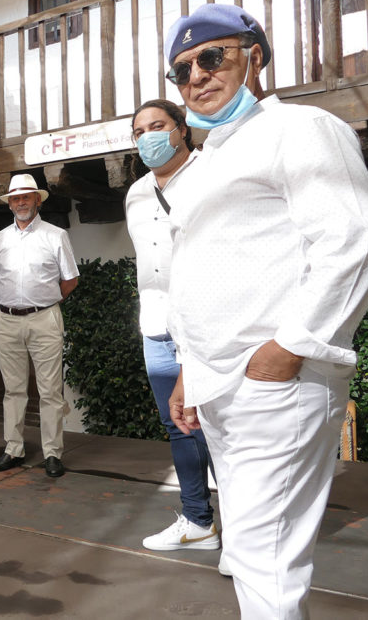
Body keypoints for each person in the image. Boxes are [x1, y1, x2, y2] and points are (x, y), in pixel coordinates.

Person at [164, 3, 368, 618]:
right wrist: (190, 370)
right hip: (221, 385)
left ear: (254, 55)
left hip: (274, 383)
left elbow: (357, 241)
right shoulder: (210, 158)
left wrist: (290, 348)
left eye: (211, 57)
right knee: (248, 548)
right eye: (181, 71)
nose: (197, 78)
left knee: (265, 558)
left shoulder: (302, 128)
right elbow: (205, 272)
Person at [125, 99, 221, 555]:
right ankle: (198, 521)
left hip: (206, 326)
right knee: (179, 427)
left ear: (181, 129)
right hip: (157, 327)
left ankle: (245, 536)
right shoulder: (136, 193)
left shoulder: (212, 174)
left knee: (221, 429)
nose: (149, 138)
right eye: (140, 131)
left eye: (158, 126)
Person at [0, 173, 78, 478]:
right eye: (15, 198)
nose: (21, 202)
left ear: (37, 200)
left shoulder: (56, 235)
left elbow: (71, 280)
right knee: (12, 390)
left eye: (26, 197)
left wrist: (45, 302)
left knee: (50, 390)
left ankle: (52, 453)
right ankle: (13, 449)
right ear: (9, 203)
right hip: (7, 319)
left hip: (45, 318)